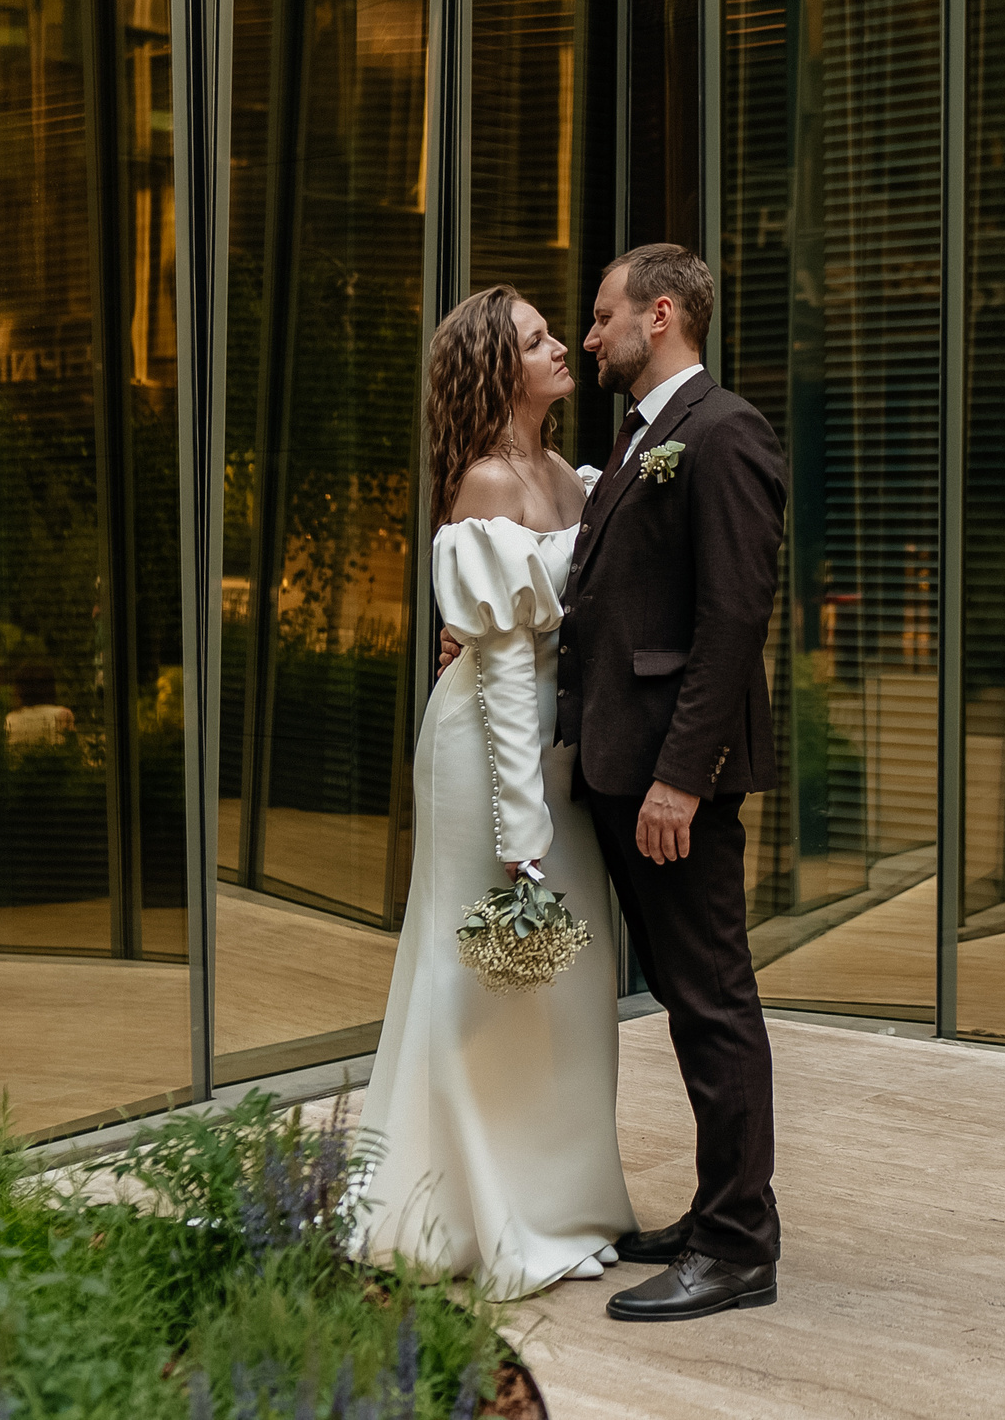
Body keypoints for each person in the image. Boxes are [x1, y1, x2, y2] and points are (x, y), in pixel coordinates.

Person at [352, 284, 638, 1300]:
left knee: (562, 987)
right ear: (494, 369)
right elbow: (509, 674)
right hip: (490, 755)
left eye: (558, 333)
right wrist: (521, 832)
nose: (564, 346)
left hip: (555, 757)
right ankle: (475, 1213)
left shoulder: (563, 472)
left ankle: (564, 1204)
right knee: (484, 982)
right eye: (538, 340)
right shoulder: (483, 484)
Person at [564, 244, 788, 1323]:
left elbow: (734, 617)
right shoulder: (643, 439)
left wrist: (680, 782)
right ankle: (717, 1211)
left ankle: (740, 1246)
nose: (590, 335)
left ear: (659, 317)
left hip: (669, 781)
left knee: (712, 1005)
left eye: (602, 316)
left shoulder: (723, 432)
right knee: (690, 1003)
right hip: (622, 766)